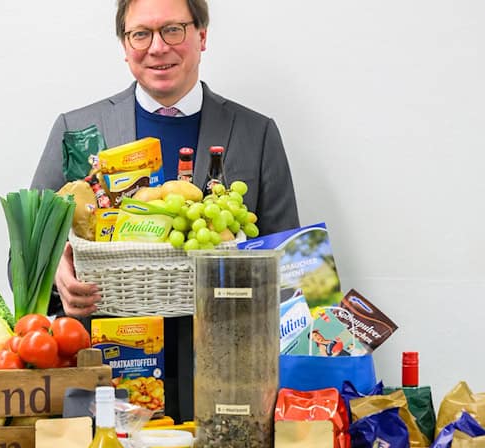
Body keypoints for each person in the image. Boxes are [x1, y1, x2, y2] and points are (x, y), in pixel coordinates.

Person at [31, 0, 300, 420]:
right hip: (107, 376)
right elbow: (28, 256)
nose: (157, 47)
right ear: (125, 44)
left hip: (224, 378)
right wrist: (57, 275)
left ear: (202, 36)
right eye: (141, 33)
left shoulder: (256, 132)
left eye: (173, 29)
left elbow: (290, 266)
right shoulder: (77, 130)